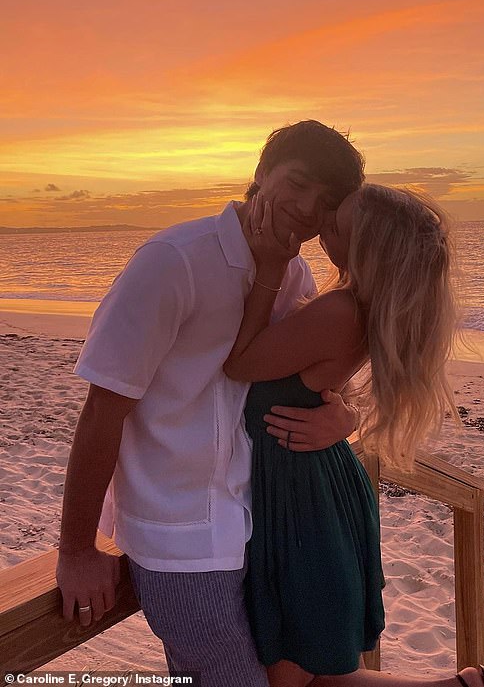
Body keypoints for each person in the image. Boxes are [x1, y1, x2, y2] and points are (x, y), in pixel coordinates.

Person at [56, 120, 366, 687]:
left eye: (324, 203)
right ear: (261, 173)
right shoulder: (174, 261)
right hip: (180, 536)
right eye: (296, 183)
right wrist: (76, 550)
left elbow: (306, 377)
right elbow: (103, 408)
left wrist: (344, 415)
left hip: (261, 520)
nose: (304, 208)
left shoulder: (294, 274)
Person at [223, 184, 484, 687]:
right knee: (324, 674)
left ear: (369, 248)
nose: (326, 221)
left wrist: (271, 269)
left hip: (302, 497)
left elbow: (239, 363)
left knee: (295, 677)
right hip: (313, 481)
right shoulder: (359, 307)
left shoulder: (340, 311)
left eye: (339, 222)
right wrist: (346, 414)